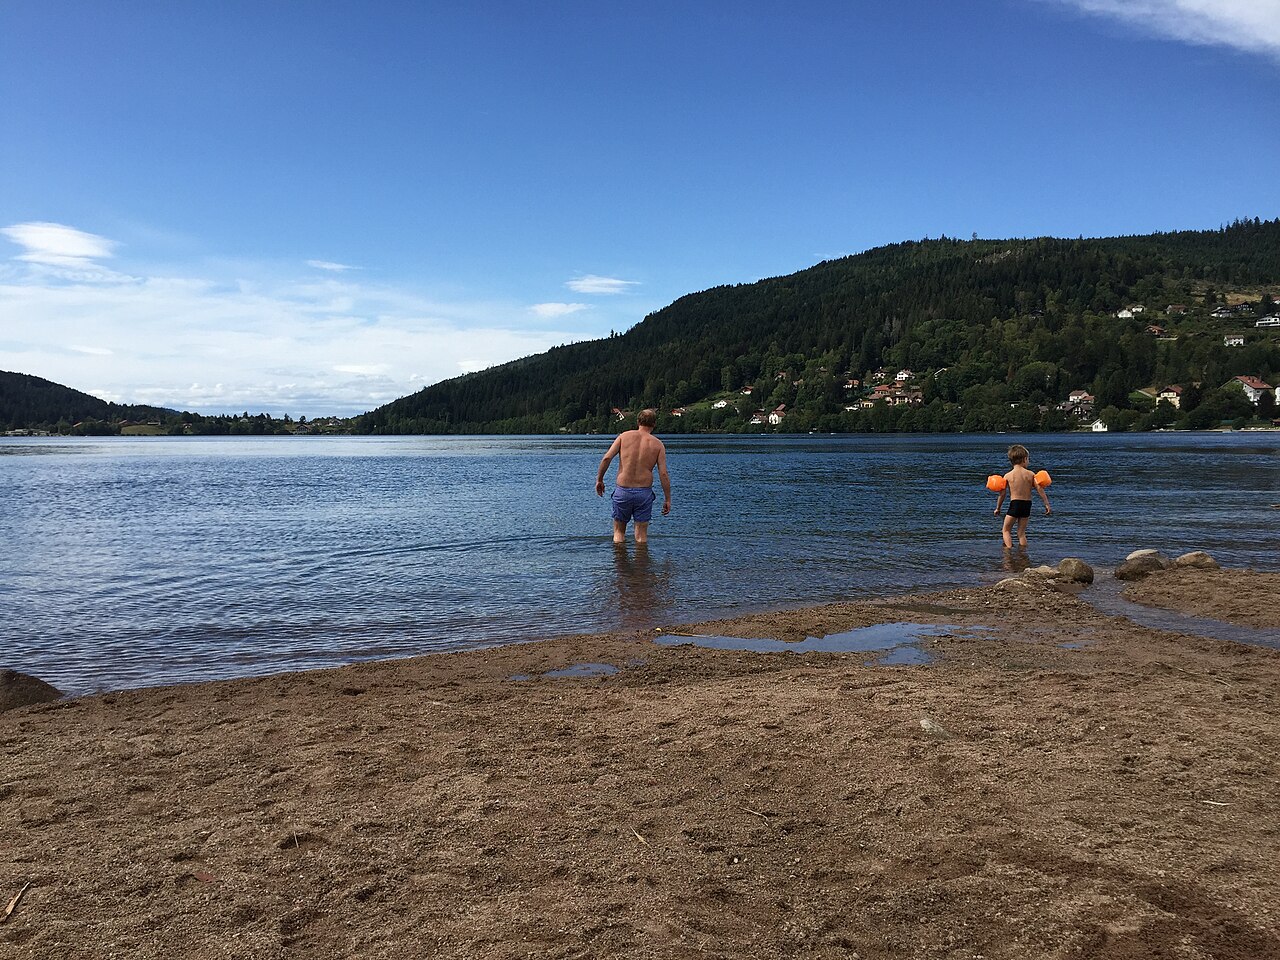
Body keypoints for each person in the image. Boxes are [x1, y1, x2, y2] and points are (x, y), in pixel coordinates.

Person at [595, 409, 671, 544]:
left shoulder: (624, 437)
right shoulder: (658, 444)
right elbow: (663, 474)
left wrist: (600, 479)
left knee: (618, 533)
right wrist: (667, 499)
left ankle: (620, 564)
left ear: (638, 421)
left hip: (623, 490)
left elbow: (607, 458)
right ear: (654, 424)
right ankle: (641, 564)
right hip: (644, 493)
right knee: (641, 536)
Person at [992, 443, 1050, 550]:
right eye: (1028, 459)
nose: (1028, 461)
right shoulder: (1031, 474)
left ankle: (1008, 550)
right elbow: (1039, 490)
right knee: (1021, 533)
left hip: (1015, 504)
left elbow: (1002, 494)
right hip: (1027, 505)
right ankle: (1023, 552)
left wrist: (998, 508)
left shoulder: (1008, 476)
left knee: (1006, 530)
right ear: (1024, 459)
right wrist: (1046, 504)